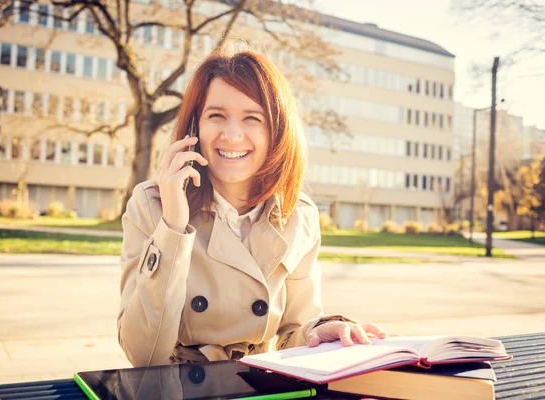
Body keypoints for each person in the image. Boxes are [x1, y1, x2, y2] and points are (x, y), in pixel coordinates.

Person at [118, 50, 387, 367]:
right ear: (194, 127)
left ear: (277, 131)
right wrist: (173, 228)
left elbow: (294, 332)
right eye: (216, 115)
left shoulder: (297, 213)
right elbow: (143, 356)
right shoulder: (151, 204)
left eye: (252, 118)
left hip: (262, 382)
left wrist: (321, 330)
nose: (232, 135)